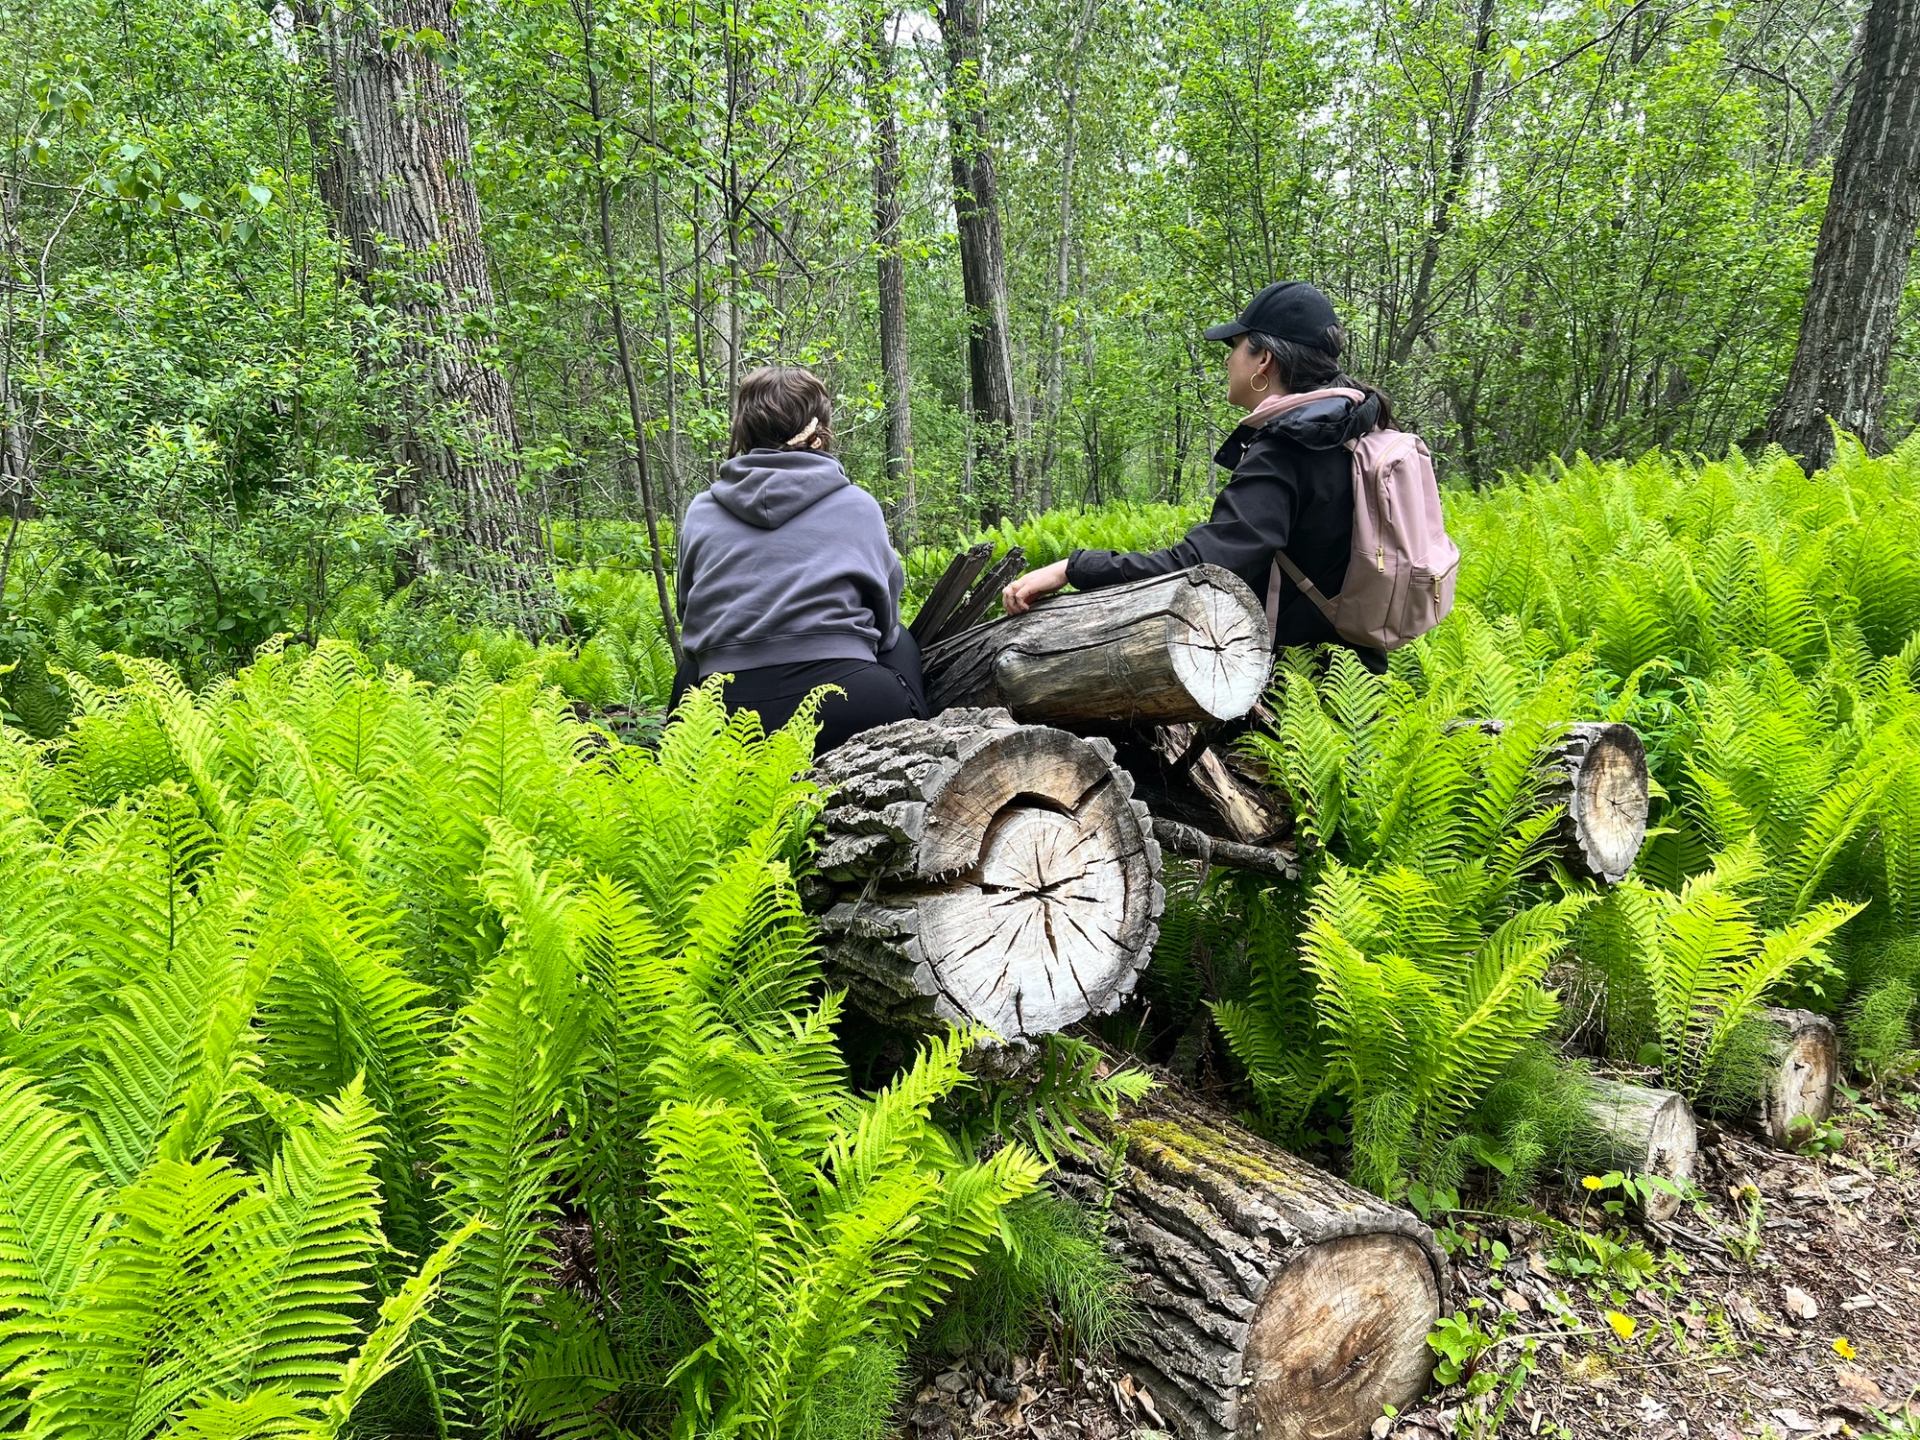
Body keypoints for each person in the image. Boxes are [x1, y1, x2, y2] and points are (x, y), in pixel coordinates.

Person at [1001, 280, 1392, 674]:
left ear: (1264, 360)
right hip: (1356, 674)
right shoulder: (1352, 432)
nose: (1227, 361)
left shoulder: (1287, 448)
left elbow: (1202, 565)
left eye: (1234, 347)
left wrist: (1074, 568)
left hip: (1298, 690)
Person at [672, 366, 927, 751]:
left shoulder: (702, 510)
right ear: (818, 430)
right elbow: (885, 619)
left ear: (743, 428)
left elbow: (689, 611)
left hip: (723, 712)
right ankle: (923, 754)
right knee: (901, 640)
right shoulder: (858, 505)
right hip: (848, 704)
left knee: (690, 669)